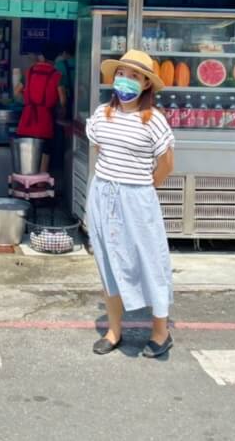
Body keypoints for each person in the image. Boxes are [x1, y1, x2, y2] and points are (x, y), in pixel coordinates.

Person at [85, 49, 175, 358]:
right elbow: (99, 150)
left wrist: (144, 186)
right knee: (109, 264)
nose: (126, 80)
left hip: (137, 198)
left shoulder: (155, 121)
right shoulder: (101, 114)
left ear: (146, 85)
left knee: (150, 262)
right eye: (122, 74)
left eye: (134, 76)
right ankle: (114, 330)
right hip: (103, 194)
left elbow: (166, 164)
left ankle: (161, 332)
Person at [15, 43, 66, 174]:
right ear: (57, 58)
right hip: (45, 122)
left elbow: (16, 92)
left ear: (42, 56)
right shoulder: (57, 75)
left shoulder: (30, 72)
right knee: (45, 153)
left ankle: (25, 189)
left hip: (26, 120)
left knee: (26, 161)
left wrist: (27, 101)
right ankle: (40, 186)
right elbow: (63, 100)